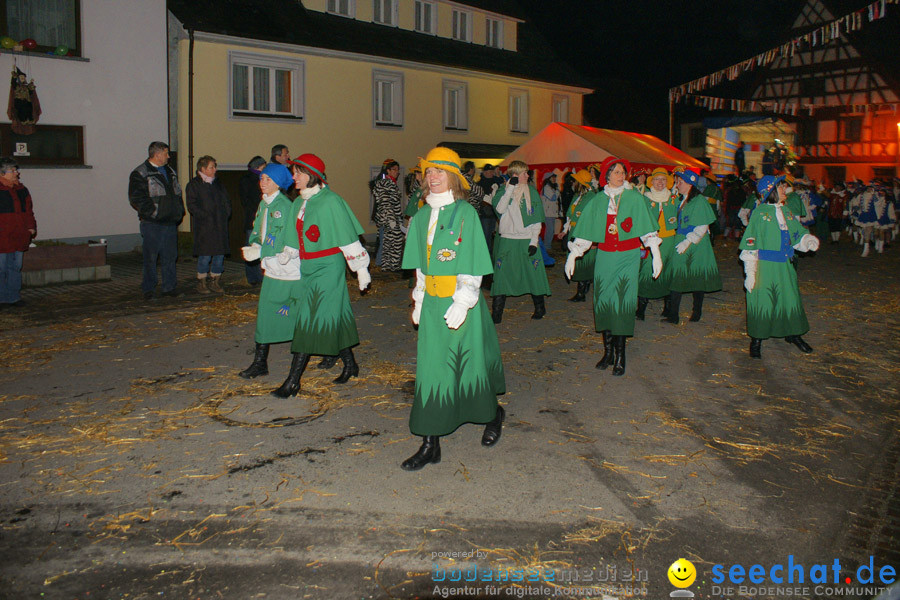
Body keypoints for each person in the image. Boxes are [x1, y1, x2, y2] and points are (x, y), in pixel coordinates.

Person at [400, 146, 505, 471]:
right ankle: (430, 443)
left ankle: (492, 414)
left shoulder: (465, 214)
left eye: (439, 172)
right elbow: (419, 265)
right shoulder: (419, 216)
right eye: (429, 172)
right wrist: (418, 297)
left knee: (469, 364)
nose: (432, 177)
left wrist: (463, 299)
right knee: (432, 368)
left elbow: (472, 261)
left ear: (453, 178)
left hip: (462, 303)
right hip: (432, 303)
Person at [272, 154, 371, 398]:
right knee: (332, 316)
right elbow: (295, 235)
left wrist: (361, 268)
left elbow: (346, 236)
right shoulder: (298, 202)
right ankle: (350, 364)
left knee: (309, 319)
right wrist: (287, 253)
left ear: (310, 174)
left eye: (297, 172)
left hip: (328, 267)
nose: (293, 177)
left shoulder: (331, 201)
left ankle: (293, 381)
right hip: (308, 268)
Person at [565, 156, 662, 376]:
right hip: (605, 258)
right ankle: (607, 352)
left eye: (623, 172)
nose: (621, 176)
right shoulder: (598, 200)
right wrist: (574, 254)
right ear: (607, 175)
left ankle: (620, 356)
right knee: (604, 301)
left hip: (627, 258)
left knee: (622, 302)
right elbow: (587, 233)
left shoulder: (634, 198)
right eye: (616, 172)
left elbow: (647, 230)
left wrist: (655, 252)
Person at [739, 175, 819, 358]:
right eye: (781, 187)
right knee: (763, 301)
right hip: (765, 267)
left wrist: (807, 241)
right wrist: (750, 272)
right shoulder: (760, 213)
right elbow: (751, 243)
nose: (785, 190)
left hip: (784, 266)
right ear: (771, 191)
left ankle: (793, 334)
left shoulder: (787, 211)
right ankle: (757, 340)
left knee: (789, 299)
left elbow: (797, 233)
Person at [238, 163, 303, 379]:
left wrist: (261, 251)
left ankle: (334, 351)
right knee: (265, 314)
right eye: (261, 178)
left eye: (267, 179)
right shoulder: (264, 204)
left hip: (288, 269)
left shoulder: (284, 205)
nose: (262, 183)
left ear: (277, 183)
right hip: (273, 268)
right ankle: (260, 362)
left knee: (299, 316)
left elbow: (282, 236)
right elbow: (259, 229)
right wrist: (255, 244)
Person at [490, 160, 551, 323]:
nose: (528, 175)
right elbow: (500, 209)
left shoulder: (531, 192)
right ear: (515, 174)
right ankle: (497, 313)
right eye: (525, 173)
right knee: (501, 276)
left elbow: (536, 220)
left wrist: (533, 241)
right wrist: (510, 188)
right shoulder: (504, 191)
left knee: (534, 273)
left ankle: (540, 308)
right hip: (508, 240)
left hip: (526, 240)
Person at [128, 141, 185, 300]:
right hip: (152, 223)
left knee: (170, 257)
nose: (168, 156)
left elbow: (177, 193)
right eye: (166, 153)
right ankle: (148, 289)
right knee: (151, 258)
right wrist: (154, 213)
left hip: (170, 222)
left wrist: (179, 211)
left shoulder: (170, 171)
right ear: (157, 154)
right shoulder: (140, 173)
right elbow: (136, 199)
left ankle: (169, 287)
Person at [663, 169, 722, 324]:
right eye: (676, 181)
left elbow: (703, 225)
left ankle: (697, 311)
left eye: (679, 182)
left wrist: (688, 241)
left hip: (696, 242)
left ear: (689, 183)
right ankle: (673, 315)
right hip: (681, 239)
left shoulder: (699, 201)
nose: (677, 184)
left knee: (696, 276)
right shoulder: (681, 199)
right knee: (677, 274)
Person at [185, 155, 232, 294]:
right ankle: (202, 282)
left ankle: (215, 281)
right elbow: (192, 205)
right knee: (205, 255)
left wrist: (226, 214)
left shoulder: (218, 184)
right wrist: (205, 216)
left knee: (219, 255)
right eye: (212, 167)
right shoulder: (194, 184)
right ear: (203, 169)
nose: (215, 169)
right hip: (205, 226)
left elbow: (227, 201)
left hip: (220, 225)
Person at [636, 167, 677, 320]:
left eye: (664, 179)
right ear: (651, 181)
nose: (660, 182)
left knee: (667, 270)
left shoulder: (674, 198)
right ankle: (641, 308)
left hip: (669, 240)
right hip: (649, 240)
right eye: (657, 179)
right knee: (646, 270)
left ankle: (667, 307)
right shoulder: (644, 198)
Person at [0, 158, 36, 307]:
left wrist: (31, 227)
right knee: (1, 268)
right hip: (2, 236)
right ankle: (2, 298)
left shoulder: (22, 190)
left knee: (15, 266)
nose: (17, 173)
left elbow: (28, 211)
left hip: (19, 234)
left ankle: (13, 297)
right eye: (13, 170)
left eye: (16, 170)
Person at [559, 169, 594, 302]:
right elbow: (570, 215)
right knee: (576, 259)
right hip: (574, 231)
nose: (573, 183)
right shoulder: (577, 196)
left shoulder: (591, 197)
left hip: (584, 233)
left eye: (575, 181)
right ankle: (582, 289)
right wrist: (565, 229)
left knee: (582, 261)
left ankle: (581, 292)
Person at [371, 159, 403, 271]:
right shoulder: (385, 183)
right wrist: (391, 219)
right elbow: (385, 203)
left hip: (390, 218)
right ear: (388, 170)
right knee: (393, 242)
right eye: (394, 169)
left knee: (388, 242)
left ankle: (388, 265)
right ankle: (391, 265)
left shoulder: (389, 183)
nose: (397, 172)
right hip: (389, 218)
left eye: (398, 170)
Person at [239, 156, 266, 286]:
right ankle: (253, 277)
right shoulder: (248, 180)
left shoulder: (261, 179)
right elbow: (248, 201)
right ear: (259, 166)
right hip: (253, 219)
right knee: (252, 247)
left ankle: (259, 276)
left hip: (260, 218)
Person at [541, 172, 560, 250]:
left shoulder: (551, 188)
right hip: (547, 213)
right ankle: (547, 245)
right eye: (552, 177)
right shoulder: (547, 187)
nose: (554, 179)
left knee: (551, 230)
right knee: (550, 230)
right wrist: (557, 191)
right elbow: (553, 197)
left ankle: (548, 245)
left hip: (551, 212)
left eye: (554, 177)